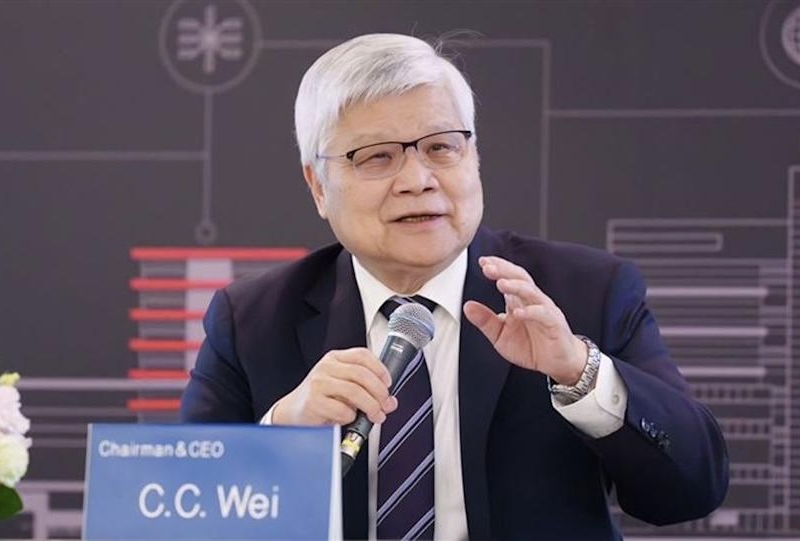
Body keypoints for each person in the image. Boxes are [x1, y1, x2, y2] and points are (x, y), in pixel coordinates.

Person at [180, 33, 728, 540]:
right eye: (377, 157)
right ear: (318, 186)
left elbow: (692, 490)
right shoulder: (252, 321)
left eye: (441, 147)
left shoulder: (586, 294)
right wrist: (282, 435)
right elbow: (183, 520)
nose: (418, 180)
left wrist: (580, 372)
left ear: (475, 157)